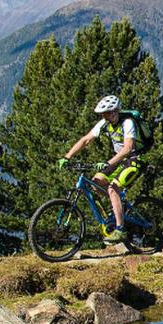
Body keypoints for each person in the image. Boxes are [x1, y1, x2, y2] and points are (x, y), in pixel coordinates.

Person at [60, 95, 140, 243]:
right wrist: (67, 156)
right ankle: (118, 207)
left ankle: (120, 229)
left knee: (112, 188)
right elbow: (85, 140)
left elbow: (128, 148)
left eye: (108, 113)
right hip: (119, 160)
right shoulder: (104, 124)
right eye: (103, 114)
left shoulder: (127, 123)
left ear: (116, 111)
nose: (105, 116)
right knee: (96, 183)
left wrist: (108, 163)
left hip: (135, 160)